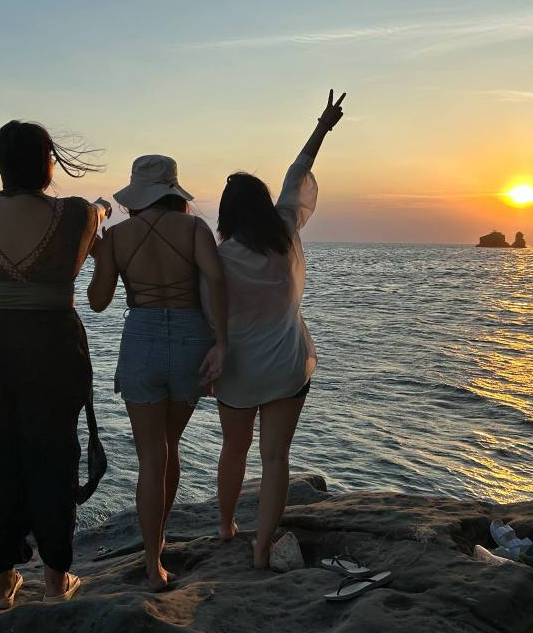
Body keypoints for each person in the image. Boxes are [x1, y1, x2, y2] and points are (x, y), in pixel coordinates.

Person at [0, 121, 109, 609]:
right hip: (51, 343)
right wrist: (103, 209)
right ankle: (57, 579)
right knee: (54, 456)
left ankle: (0, 585)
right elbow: (93, 221)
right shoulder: (77, 212)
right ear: (49, 162)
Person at [206, 90, 346, 569]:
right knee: (275, 459)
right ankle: (262, 548)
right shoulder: (285, 232)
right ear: (263, 207)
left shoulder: (219, 259)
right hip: (287, 364)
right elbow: (296, 170)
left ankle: (226, 527)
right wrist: (323, 125)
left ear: (227, 213)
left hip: (239, 370)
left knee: (234, 448)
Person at [87, 154, 227, 591]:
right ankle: (160, 538)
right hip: (191, 337)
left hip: (141, 338)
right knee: (170, 446)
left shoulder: (117, 236)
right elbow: (217, 281)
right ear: (173, 190)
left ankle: (152, 562)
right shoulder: (195, 229)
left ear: (136, 195)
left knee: (151, 457)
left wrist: (98, 256)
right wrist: (223, 343)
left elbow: (97, 301)